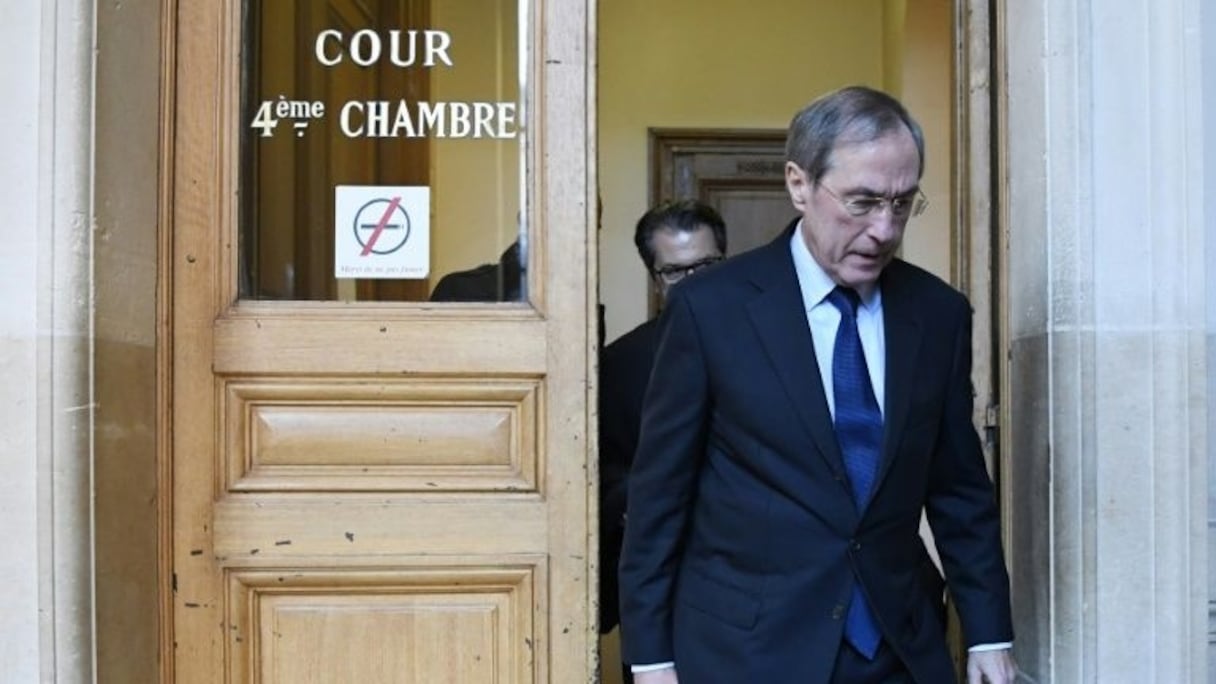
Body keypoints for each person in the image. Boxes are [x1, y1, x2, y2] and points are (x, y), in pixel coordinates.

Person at [617, 86, 1016, 684]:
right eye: (862, 202)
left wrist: (989, 634)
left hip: (897, 648)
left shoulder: (938, 314)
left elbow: (960, 492)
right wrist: (650, 660)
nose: (884, 230)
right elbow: (658, 501)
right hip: (746, 652)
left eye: (903, 204)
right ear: (799, 184)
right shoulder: (711, 311)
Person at [599, 200, 727, 682]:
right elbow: (603, 471)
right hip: (669, 578)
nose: (693, 282)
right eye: (676, 272)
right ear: (655, 279)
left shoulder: (776, 344)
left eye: (706, 266)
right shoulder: (621, 364)